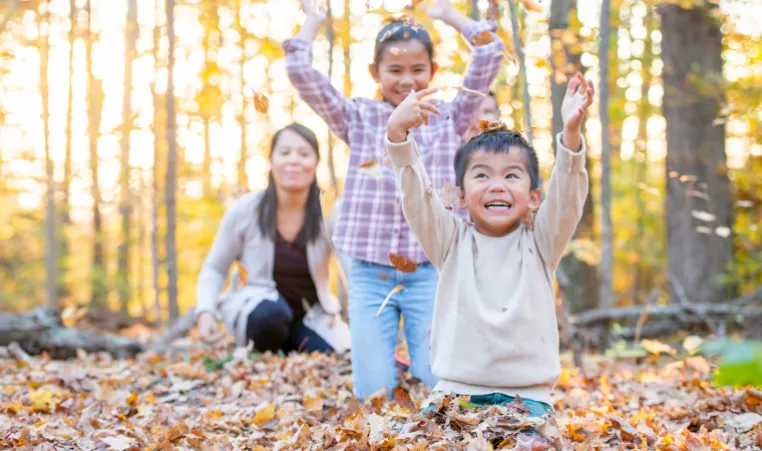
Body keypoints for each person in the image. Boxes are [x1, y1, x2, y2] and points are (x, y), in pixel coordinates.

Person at [283, 0, 505, 399]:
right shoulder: (358, 117)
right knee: (373, 392)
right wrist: (312, 22)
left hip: (430, 272)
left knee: (439, 382)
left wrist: (449, 16)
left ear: (433, 72)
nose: (407, 81)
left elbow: (490, 52)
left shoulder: (451, 117)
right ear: (376, 73)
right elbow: (301, 73)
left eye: (418, 70)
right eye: (395, 70)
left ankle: (426, 371)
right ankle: (384, 372)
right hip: (371, 273)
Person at [383, 73, 594, 432]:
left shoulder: (541, 243)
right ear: (461, 196)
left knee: (532, 444)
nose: (497, 184)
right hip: (454, 394)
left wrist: (571, 137)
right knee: (415, 441)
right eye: (481, 175)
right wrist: (397, 137)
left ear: (533, 198)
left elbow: (567, 199)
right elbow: (417, 198)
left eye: (512, 176)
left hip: (527, 399)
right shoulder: (449, 241)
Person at [194, 123, 350, 355]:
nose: (294, 160)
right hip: (257, 307)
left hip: (311, 315)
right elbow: (215, 267)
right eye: (285, 153)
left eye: (304, 154)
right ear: (271, 160)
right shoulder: (245, 210)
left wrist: (356, 317)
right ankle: (264, 349)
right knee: (272, 317)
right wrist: (205, 312)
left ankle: (295, 344)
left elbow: (353, 271)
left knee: (337, 353)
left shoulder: (330, 213)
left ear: (316, 162)